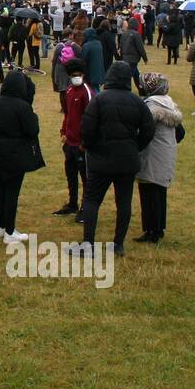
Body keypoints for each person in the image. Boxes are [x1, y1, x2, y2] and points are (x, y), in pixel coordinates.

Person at [68, 61, 156, 258]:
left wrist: (90, 146)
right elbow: (149, 130)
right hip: (127, 159)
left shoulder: (99, 100)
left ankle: (88, 244)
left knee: (92, 200)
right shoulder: (137, 102)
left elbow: (87, 128)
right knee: (123, 202)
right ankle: (118, 244)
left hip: (101, 159)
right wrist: (135, 146)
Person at [0, 69, 41, 244]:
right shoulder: (22, 107)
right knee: (11, 193)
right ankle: (9, 231)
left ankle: (0, 226)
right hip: (16, 154)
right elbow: (32, 130)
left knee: (1, 190)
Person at [135, 72, 184, 243]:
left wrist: (137, 146)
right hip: (166, 151)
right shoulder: (169, 103)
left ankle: (152, 231)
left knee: (149, 191)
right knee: (159, 191)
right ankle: (158, 228)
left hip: (152, 153)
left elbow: (144, 132)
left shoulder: (150, 106)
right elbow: (180, 132)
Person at [54, 59, 92, 219]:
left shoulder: (87, 93)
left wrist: (85, 142)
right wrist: (63, 131)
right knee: (70, 175)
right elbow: (68, 114)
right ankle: (72, 203)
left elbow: (91, 120)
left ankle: (85, 208)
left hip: (81, 145)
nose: (75, 77)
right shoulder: (69, 91)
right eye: (72, 75)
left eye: (78, 75)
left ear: (83, 75)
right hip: (69, 142)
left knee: (85, 177)